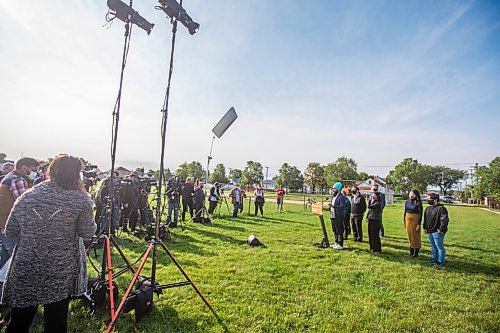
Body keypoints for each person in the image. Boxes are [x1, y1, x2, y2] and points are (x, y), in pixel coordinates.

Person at [2, 154, 97, 333]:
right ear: (76, 174)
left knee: (19, 322)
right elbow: (87, 232)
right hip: (60, 268)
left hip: (27, 264)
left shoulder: (27, 196)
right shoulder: (80, 199)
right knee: (56, 322)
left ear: (51, 171)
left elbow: (11, 230)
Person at [0, 157, 40, 269]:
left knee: (5, 258)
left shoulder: (8, 178)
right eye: (34, 170)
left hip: (4, 224)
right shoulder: (19, 180)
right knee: (14, 259)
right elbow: (24, 206)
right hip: (11, 226)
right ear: (24, 168)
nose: (35, 173)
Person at [423, 193, 449, 268]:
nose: (428, 201)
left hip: (437, 232)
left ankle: (441, 262)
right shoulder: (428, 208)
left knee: (439, 247)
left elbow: (444, 220)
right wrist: (424, 227)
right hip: (429, 231)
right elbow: (425, 219)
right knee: (433, 246)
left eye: (429, 199)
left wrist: (441, 229)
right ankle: (434, 259)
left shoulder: (441, 208)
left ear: (435, 200)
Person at [404, 189, 423, 257]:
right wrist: (404, 221)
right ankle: (411, 252)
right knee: (410, 236)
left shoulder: (418, 203)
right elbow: (405, 211)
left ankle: (416, 253)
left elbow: (420, 214)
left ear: (416, 195)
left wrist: (419, 224)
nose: (411, 195)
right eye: (410, 194)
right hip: (408, 220)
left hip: (415, 220)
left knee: (415, 236)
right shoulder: (407, 202)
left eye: (413, 194)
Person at [329, 182, 345, 250]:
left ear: (338, 189)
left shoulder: (341, 197)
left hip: (338, 216)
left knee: (339, 230)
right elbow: (332, 207)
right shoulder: (334, 197)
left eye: (334, 188)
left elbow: (342, 206)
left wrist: (333, 206)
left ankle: (340, 244)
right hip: (333, 215)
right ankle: (336, 242)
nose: (333, 190)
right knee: (334, 230)